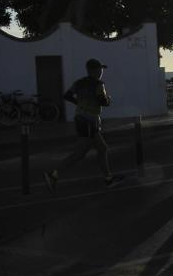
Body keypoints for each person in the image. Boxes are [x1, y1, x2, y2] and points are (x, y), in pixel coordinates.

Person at [43, 59, 119, 192]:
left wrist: (79, 102)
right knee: (80, 154)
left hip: (81, 119)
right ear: (92, 70)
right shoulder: (99, 84)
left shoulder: (79, 83)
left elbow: (67, 95)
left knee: (102, 148)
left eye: (101, 69)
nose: (101, 72)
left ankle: (108, 179)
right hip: (89, 121)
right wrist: (109, 100)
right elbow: (103, 101)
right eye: (99, 69)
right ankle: (53, 174)